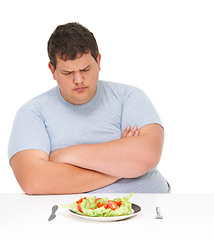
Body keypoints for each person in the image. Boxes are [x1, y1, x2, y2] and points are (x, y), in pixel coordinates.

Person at [8, 22, 170, 195]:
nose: (78, 79)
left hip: (147, 209)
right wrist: (125, 167)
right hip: (71, 217)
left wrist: (67, 154)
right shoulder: (33, 113)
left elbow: (148, 155)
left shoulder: (129, 97)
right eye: (67, 73)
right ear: (52, 70)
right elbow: (34, 181)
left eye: (86, 69)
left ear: (98, 61)